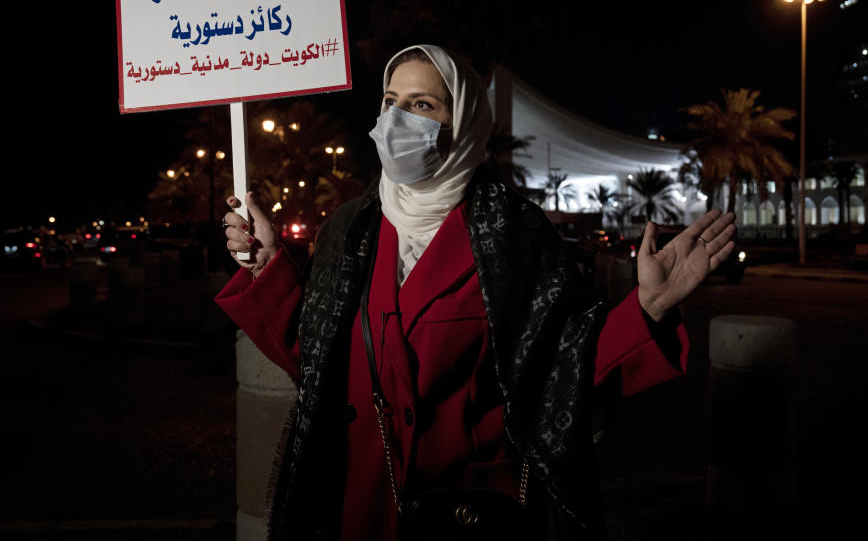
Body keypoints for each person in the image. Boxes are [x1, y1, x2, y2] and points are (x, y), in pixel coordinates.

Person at [216, 45, 737, 540]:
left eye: (421, 104)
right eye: (390, 102)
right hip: (364, 508)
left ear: (463, 122)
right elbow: (319, 360)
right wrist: (266, 269)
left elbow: (563, 368)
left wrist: (649, 306)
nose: (397, 120)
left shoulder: (515, 234)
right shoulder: (351, 230)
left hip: (471, 514)